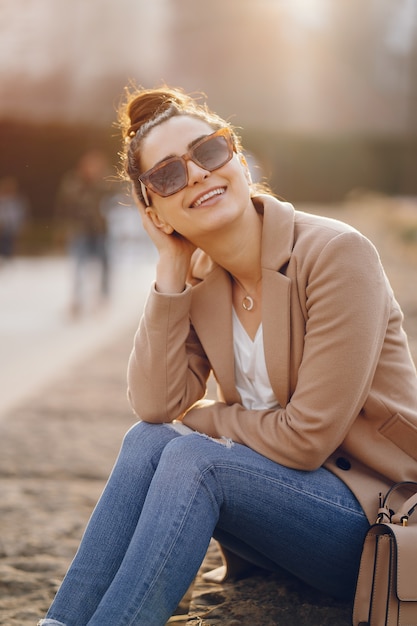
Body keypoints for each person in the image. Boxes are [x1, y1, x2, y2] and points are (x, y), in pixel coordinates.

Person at [38, 85, 417, 626]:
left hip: (377, 519)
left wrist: (206, 419)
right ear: (157, 212)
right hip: (278, 521)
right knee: (149, 440)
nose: (195, 174)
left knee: (195, 455)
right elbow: (154, 405)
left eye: (209, 151)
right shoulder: (199, 278)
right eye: (167, 175)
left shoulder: (335, 255)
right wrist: (169, 274)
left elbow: (308, 439)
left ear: (237, 157)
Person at [55, 149, 113, 317]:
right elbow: (64, 206)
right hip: (79, 230)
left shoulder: (104, 181)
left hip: (100, 230)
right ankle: (77, 299)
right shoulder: (73, 182)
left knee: (105, 263)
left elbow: (112, 199)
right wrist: (62, 228)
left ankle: (104, 296)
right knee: (78, 265)